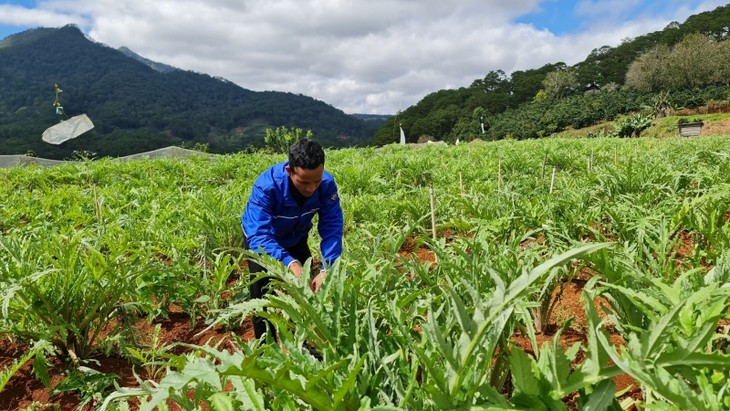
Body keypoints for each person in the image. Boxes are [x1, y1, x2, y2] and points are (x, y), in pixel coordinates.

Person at [241, 139, 344, 339]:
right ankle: (266, 351)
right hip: (262, 243)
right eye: (304, 182)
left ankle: (305, 343)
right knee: (263, 298)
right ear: (290, 171)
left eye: (317, 181)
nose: (311, 188)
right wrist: (291, 263)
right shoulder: (267, 187)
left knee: (309, 292)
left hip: (296, 237)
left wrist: (326, 267)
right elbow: (258, 234)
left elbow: (332, 227)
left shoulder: (327, 186)